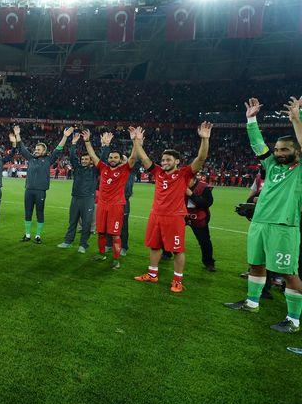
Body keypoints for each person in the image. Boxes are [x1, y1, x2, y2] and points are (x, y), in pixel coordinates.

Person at [225, 97, 302, 333]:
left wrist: (296, 119)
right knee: (255, 264)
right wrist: (251, 120)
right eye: (277, 149)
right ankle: (251, 302)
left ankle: (293, 319)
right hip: (259, 223)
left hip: (283, 226)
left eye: (284, 149)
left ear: (297, 151)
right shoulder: (271, 166)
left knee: (288, 273)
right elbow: (258, 144)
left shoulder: (298, 170)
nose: (278, 153)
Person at [129, 122, 212, 292]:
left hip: (174, 218)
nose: (164, 162)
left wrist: (205, 139)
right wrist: (136, 141)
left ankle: (177, 280)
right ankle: (152, 275)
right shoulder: (158, 172)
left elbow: (201, 158)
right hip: (156, 215)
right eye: (163, 159)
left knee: (177, 250)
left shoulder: (184, 174)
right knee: (154, 246)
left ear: (177, 161)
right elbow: (144, 158)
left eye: (168, 159)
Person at [82, 128, 139, 269]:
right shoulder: (103, 168)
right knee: (101, 232)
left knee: (115, 235)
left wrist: (135, 141)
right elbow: (93, 155)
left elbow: (133, 158)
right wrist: (87, 141)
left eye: (115, 158)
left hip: (116, 206)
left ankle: (116, 259)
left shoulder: (124, 170)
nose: (112, 160)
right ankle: (102, 253)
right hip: (102, 205)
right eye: (110, 157)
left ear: (120, 159)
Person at [14, 125, 71, 243]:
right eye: (35, 148)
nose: (36, 150)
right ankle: (28, 235)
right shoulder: (30, 158)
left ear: (44, 151)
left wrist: (65, 137)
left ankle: (38, 236)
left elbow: (58, 148)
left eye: (38, 149)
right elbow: (22, 147)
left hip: (40, 191)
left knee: (40, 212)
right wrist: (17, 134)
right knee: (28, 212)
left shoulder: (48, 159)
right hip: (29, 190)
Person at [57, 132, 111, 253]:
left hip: (88, 199)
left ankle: (83, 244)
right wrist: (73, 144)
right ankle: (68, 241)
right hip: (75, 198)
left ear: (91, 160)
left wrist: (106, 146)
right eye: (83, 159)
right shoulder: (77, 168)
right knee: (72, 221)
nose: (84, 160)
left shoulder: (95, 170)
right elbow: (72, 156)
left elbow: (102, 159)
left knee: (86, 223)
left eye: (87, 159)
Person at [185, 172, 216, 272]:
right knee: (168, 232)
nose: (184, 182)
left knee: (204, 241)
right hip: (182, 215)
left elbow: (207, 203)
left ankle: (209, 263)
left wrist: (191, 194)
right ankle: (166, 253)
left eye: (187, 180)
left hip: (199, 217)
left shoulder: (204, 187)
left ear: (193, 179)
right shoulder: (179, 185)